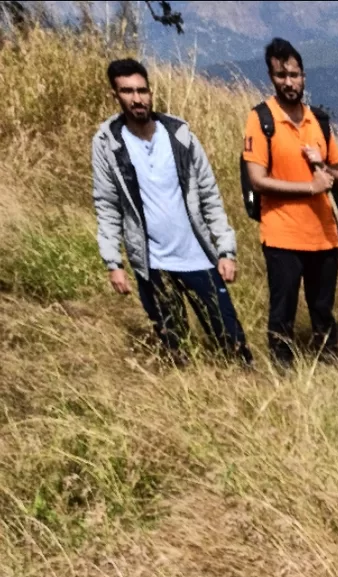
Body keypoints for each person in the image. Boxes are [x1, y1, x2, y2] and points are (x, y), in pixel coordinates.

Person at [92, 57, 250, 362]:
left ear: (151, 91)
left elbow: (209, 195)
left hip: (198, 257)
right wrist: (114, 262)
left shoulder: (179, 135)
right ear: (115, 95)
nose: (137, 99)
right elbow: (107, 205)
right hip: (153, 264)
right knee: (176, 348)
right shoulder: (107, 143)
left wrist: (226, 251)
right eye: (127, 91)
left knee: (232, 342)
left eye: (142, 90)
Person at [241, 36, 338, 366]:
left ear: (303, 75)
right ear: (272, 77)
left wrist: (324, 169)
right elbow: (257, 180)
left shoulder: (319, 120)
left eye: (295, 74)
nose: (289, 82)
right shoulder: (261, 119)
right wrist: (310, 188)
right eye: (281, 75)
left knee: (322, 309)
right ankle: (282, 372)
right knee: (282, 310)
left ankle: (328, 364)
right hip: (283, 235)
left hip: (324, 234)